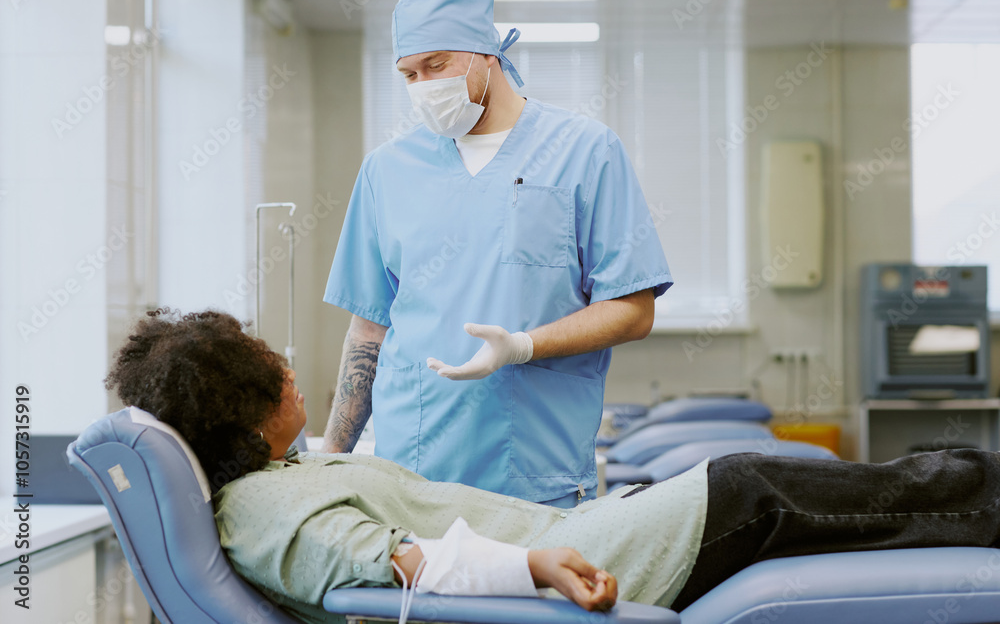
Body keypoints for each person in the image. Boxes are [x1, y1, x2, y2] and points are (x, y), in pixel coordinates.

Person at [108, 309, 1000, 624]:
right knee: (756, 485)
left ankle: (975, 487)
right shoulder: (260, 515)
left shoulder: (283, 476)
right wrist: (532, 564)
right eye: (270, 362)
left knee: (808, 489)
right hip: (562, 569)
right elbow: (396, 571)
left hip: (578, 536)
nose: (290, 366)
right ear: (238, 398)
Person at [321, 0, 673, 508]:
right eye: (409, 74)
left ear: (487, 51)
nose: (423, 86)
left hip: (534, 476)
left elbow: (633, 309)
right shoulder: (387, 170)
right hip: (409, 477)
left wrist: (522, 347)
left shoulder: (585, 151)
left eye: (436, 65)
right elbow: (369, 328)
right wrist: (333, 458)